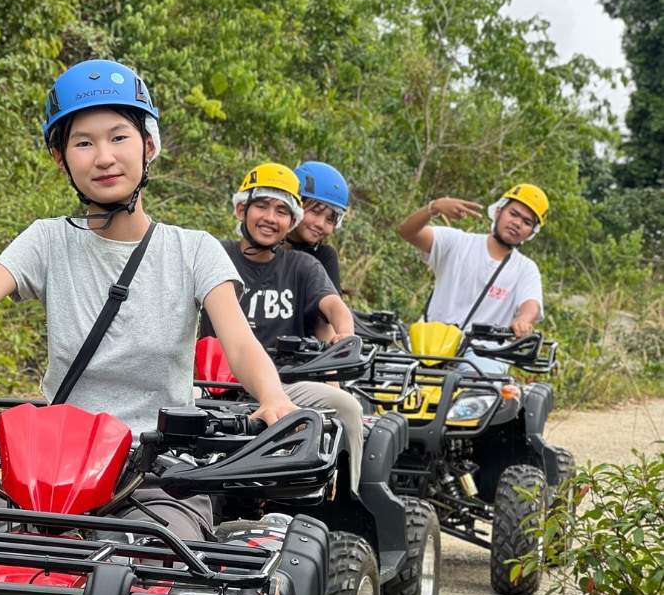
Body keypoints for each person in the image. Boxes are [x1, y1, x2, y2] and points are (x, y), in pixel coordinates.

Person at [0, 59, 297, 539]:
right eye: (84, 142)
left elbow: (239, 343)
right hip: (44, 469)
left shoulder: (193, 250)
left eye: (119, 137)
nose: (103, 156)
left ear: (149, 147)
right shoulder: (47, 241)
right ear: (61, 159)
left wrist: (273, 398)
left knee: (159, 577)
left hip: (155, 474)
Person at [199, 162, 369, 496]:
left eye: (281, 211)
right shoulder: (213, 253)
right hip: (209, 384)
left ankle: (346, 500)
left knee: (348, 407)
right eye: (261, 206)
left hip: (284, 384)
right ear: (241, 209)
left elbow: (334, 306)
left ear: (291, 221)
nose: (270, 218)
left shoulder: (303, 265)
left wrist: (344, 334)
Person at [397, 184, 548, 338]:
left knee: (479, 363)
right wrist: (433, 207)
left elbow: (531, 303)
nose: (517, 223)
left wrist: (523, 320)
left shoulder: (525, 268)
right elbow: (407, 232)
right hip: (429, 342)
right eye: (513, 214)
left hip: (484, 352)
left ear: (531, 233)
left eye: (527, 222)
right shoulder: (457, 242)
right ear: (498, 212)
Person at [287, 160, 350, 292]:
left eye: (330, 219)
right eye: (315, 212)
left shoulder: (324, 257)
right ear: (295, 205)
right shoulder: (266, 245)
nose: (320, 224)